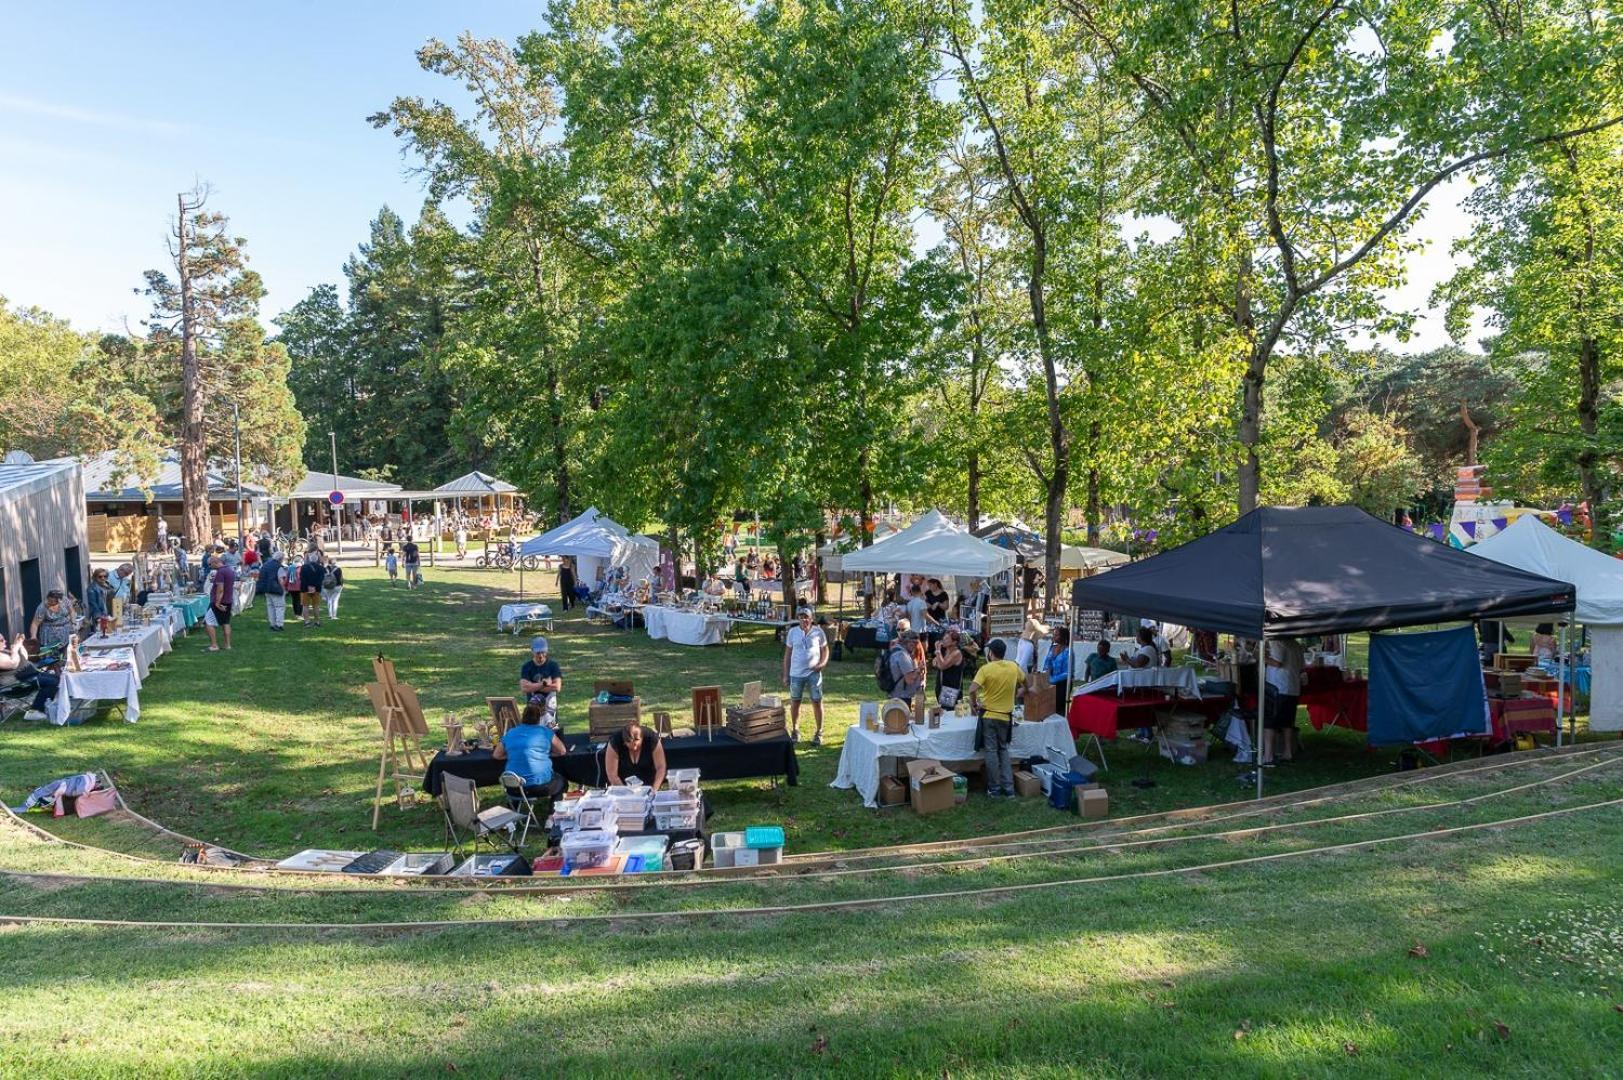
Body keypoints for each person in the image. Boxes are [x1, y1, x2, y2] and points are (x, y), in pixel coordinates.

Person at [969, 638, 1022, 798]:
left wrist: (973, 705)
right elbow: (1025, 683)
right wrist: (1020, 692)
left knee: (991, 751)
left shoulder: (986, 669)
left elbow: (972, 689)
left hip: (989, 716)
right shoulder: (1014, 666)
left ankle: (994, 788)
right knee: (1003, 750)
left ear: (991, 653)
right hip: (1006, 717)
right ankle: (1009, 789)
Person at [493, 701, 568, 798]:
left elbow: (496, 755)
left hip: (514, 788)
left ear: (522, 718)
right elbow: (562, 751)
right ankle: (553, 811)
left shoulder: (510, 732)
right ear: (539, 719)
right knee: (562, 781)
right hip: (540, 786)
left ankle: (515, 809)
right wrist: (545, 754)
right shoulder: (545, 731)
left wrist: (513, 754)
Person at [782, 606, 829, 745]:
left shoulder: (818, 632)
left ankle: (819, 732)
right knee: (795, 701)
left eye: (806, 617)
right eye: (801, 617)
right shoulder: (792, 632)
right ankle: (795, 731)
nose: (804, 620)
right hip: (796, 674)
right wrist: (786, 674)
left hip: (814, 673)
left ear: (812, 619)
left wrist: (821, 664)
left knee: (817, 701)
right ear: (798, 619)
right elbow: (788, 654)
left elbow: (825, 650)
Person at [1263, 636, 1305, 765]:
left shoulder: (1277, 641)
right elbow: (1302, 665)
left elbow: (1277, 662)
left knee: (1270, 722)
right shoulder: (1296, 644)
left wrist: (1262, 657)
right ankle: (1288, 752)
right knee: (1288, 722)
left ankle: (1268, 756)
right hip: (1292, 687)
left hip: (1278, 687)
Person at [605, 718, 666, 789]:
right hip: (622, 785)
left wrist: (654, 790)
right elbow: (612, 775)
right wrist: (625, 792)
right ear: (624, 742)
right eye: (629, 743)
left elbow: (661, 767)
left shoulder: (651, 738)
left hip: (649, 784)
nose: (634, 748)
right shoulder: (615, 741)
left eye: (637, 741)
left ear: (642, 738)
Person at [519, 637, 563, 709]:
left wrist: (532, 686)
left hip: (550, 710)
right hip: (532, 709)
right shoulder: (526, 667)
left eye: (543, 652)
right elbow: (524, 688)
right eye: (538, 653)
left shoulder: (553, 666)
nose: (541, 655)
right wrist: (544, 684)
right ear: (532, 651)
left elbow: (557, 687)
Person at [203, 555, 235, 651]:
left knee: (208, 622)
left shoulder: (220, 572)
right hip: (228, 600)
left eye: (210, 564)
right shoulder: (229, 570)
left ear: (214, 562)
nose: (210, 566)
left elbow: (220, 589)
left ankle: (214, 645)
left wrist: (217, 603)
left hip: (219, 602)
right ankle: (227, 645)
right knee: (226, 622)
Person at [885, 629, 924, 700]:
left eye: (916, 643)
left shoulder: (895, 650)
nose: (915, 646)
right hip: (901, 696)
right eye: (914, 643)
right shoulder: (902, 655)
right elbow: (909, 680)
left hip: (894, 694)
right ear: (906, 642)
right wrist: (919, 669)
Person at [932, 628, 965, 708]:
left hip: (950, 690)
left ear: (954, 642)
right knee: (942, 714)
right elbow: (934, 663)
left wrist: (938, 651)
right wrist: (939, 658)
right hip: (941, 687)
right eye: (944, 638)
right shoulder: (945, 651)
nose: (943, 640)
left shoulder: (956, 653)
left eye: (947, 638)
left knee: (949, 715)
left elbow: (942, 666)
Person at [257, 548, 287, 631]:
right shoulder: (279, 567)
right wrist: (284, 589)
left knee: (270, 607)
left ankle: (272, 624)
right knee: (279, 607)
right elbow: (281, 580)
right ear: (281, 559)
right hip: (276, 589)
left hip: (266, 589)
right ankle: (279, 624)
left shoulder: (265, 564)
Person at [1044, 626, 1073, 702]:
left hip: (1063, 685)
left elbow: (1068, 672)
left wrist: (1052, 680)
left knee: (1059, 709)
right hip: (1050, 683)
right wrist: (1047, 674)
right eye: (1053, 634)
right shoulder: (1052, 648)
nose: (1054, 637)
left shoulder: (1068, 651)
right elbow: (1046, 664)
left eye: (1056, 635)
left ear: (1063, 637)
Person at [298, 550, 325, 627]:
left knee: (305, 606)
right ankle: (317, 621)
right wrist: (314, 586)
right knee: (316, 606)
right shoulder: (321, 568)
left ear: (309, 559)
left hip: (305, 589)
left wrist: (309, 586)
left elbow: (302, 578)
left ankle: (307, 621)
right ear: (317, 559)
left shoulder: (303, 567)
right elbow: (321, 579)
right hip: (317, 589)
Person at [85, 569, 114, 634]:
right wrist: (98, 617)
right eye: (100, 576)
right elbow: (93, 604)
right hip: (101, 616)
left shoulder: (107, 585)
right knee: (102, 634)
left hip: (109, 614)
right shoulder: (92, 588)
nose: (103, 578)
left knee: (111, 633)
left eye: (105, 576)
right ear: (95, 577)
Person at [320, 555, 344, 621]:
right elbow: (340, 579)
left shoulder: (325, 568)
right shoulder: (338, 569)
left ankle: (330, 614)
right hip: (337, 586)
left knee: (329, 600)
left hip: (327, 586)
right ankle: (334, 615)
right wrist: (342, 585)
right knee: (335, 600)